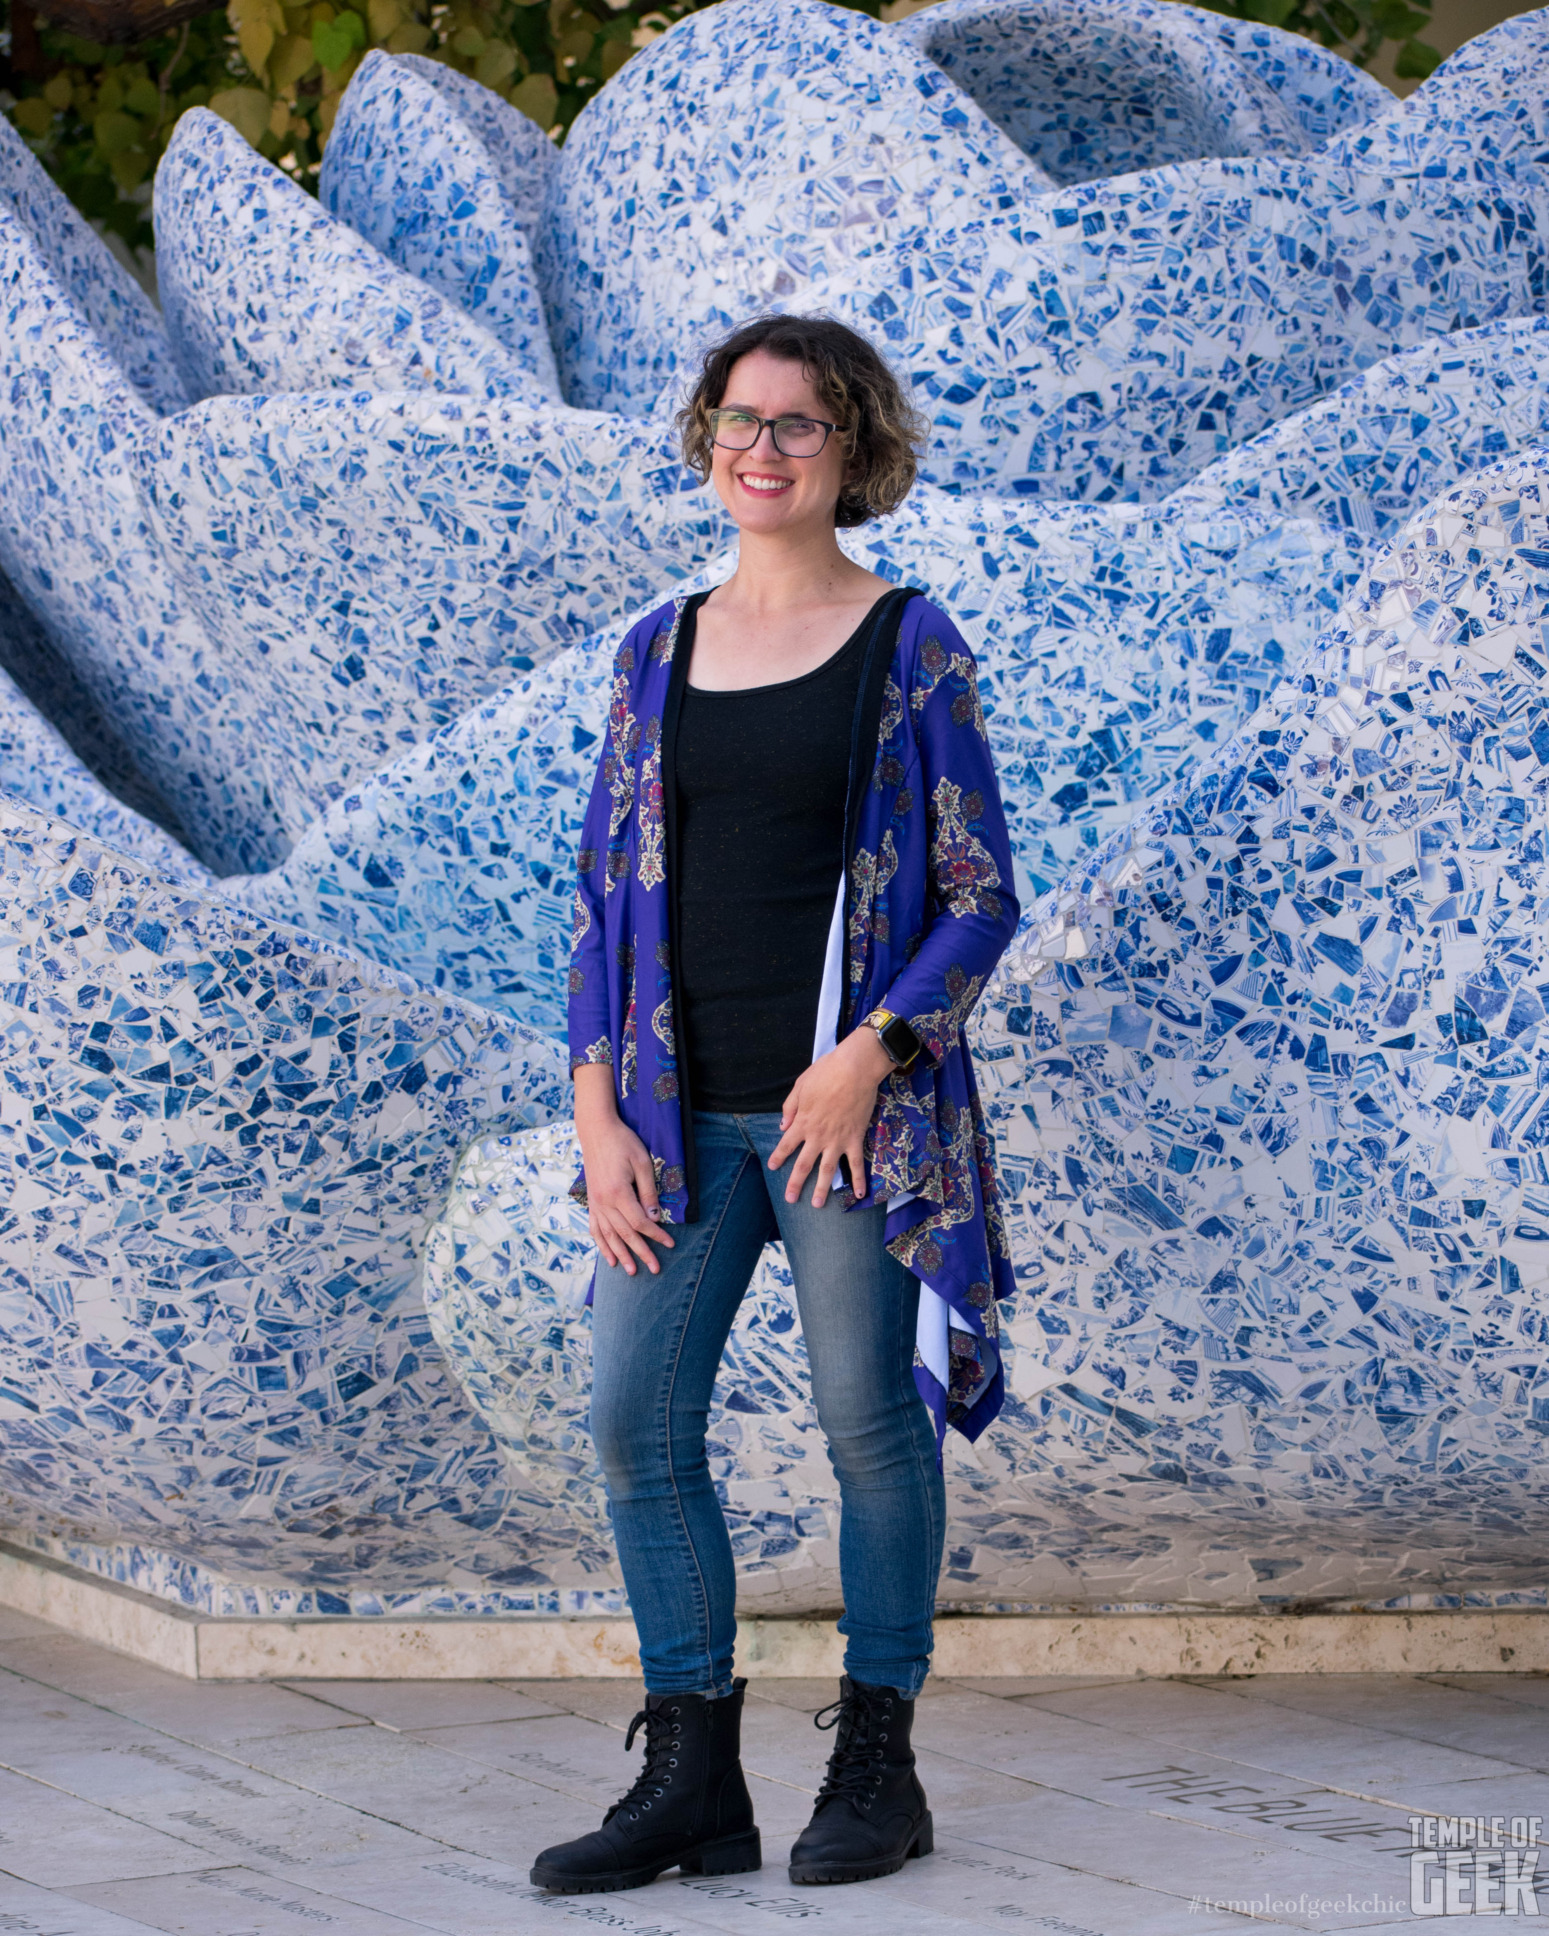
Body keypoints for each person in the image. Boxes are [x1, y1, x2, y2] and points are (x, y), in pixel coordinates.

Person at [530, 314, 1019, 1898]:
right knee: (631, 1422)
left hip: (838, 1120)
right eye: (737, 420)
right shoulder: (652, 650)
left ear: (851, 450)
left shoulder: (910, 643)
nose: (759, 447)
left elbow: (975, 894)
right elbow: (603, 899)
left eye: (796, 426)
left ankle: (877, 1759)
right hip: (673, 1120)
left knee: (867, 1424)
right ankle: (691, 1777)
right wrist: (599, 1115)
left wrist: (866, 1052)